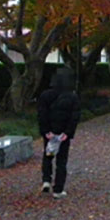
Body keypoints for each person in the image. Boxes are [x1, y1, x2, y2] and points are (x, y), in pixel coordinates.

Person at [36, 66, 81, 198]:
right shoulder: (72, 97)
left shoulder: (45, 95)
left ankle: (46, 180)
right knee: (61, 161)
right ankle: (58, 189)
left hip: (50, 132)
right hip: (63, 133)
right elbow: (74, 117)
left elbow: (41, 114)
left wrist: (46, 131)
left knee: (48, 155)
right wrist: (68, 132)